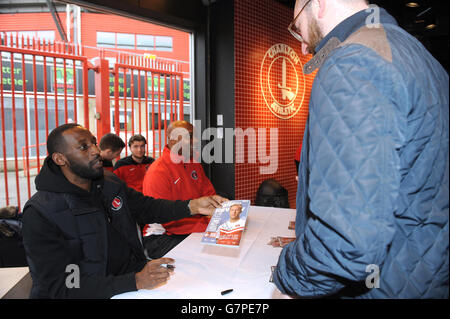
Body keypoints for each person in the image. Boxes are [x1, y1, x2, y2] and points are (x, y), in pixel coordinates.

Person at [274, 0, 449, 298]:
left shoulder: (354, 62)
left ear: (318, 5)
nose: (303, 48)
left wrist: (285, 275)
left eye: (297, 27)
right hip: (421, 274)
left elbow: (344, 244)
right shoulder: (418, 55)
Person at [21, 123, 227, 298]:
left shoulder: (109, 183)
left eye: (93, 142)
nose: (95, 150)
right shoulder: (40, 213)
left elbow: (147, 207)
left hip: (130, 280)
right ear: (59, 159)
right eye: (84, 147)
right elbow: (59, 286)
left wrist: (192, 206)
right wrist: (134, 281)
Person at [141, 120, 216, 258]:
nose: (197, 140)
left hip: (191, 228)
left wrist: (221, 211)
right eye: (190, 136)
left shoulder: (194, 164)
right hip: (161, 236)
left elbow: (209, 195)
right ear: (174, 140)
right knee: (208, 255)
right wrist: (208, 226)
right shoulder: (158, 171)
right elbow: (168, 220)